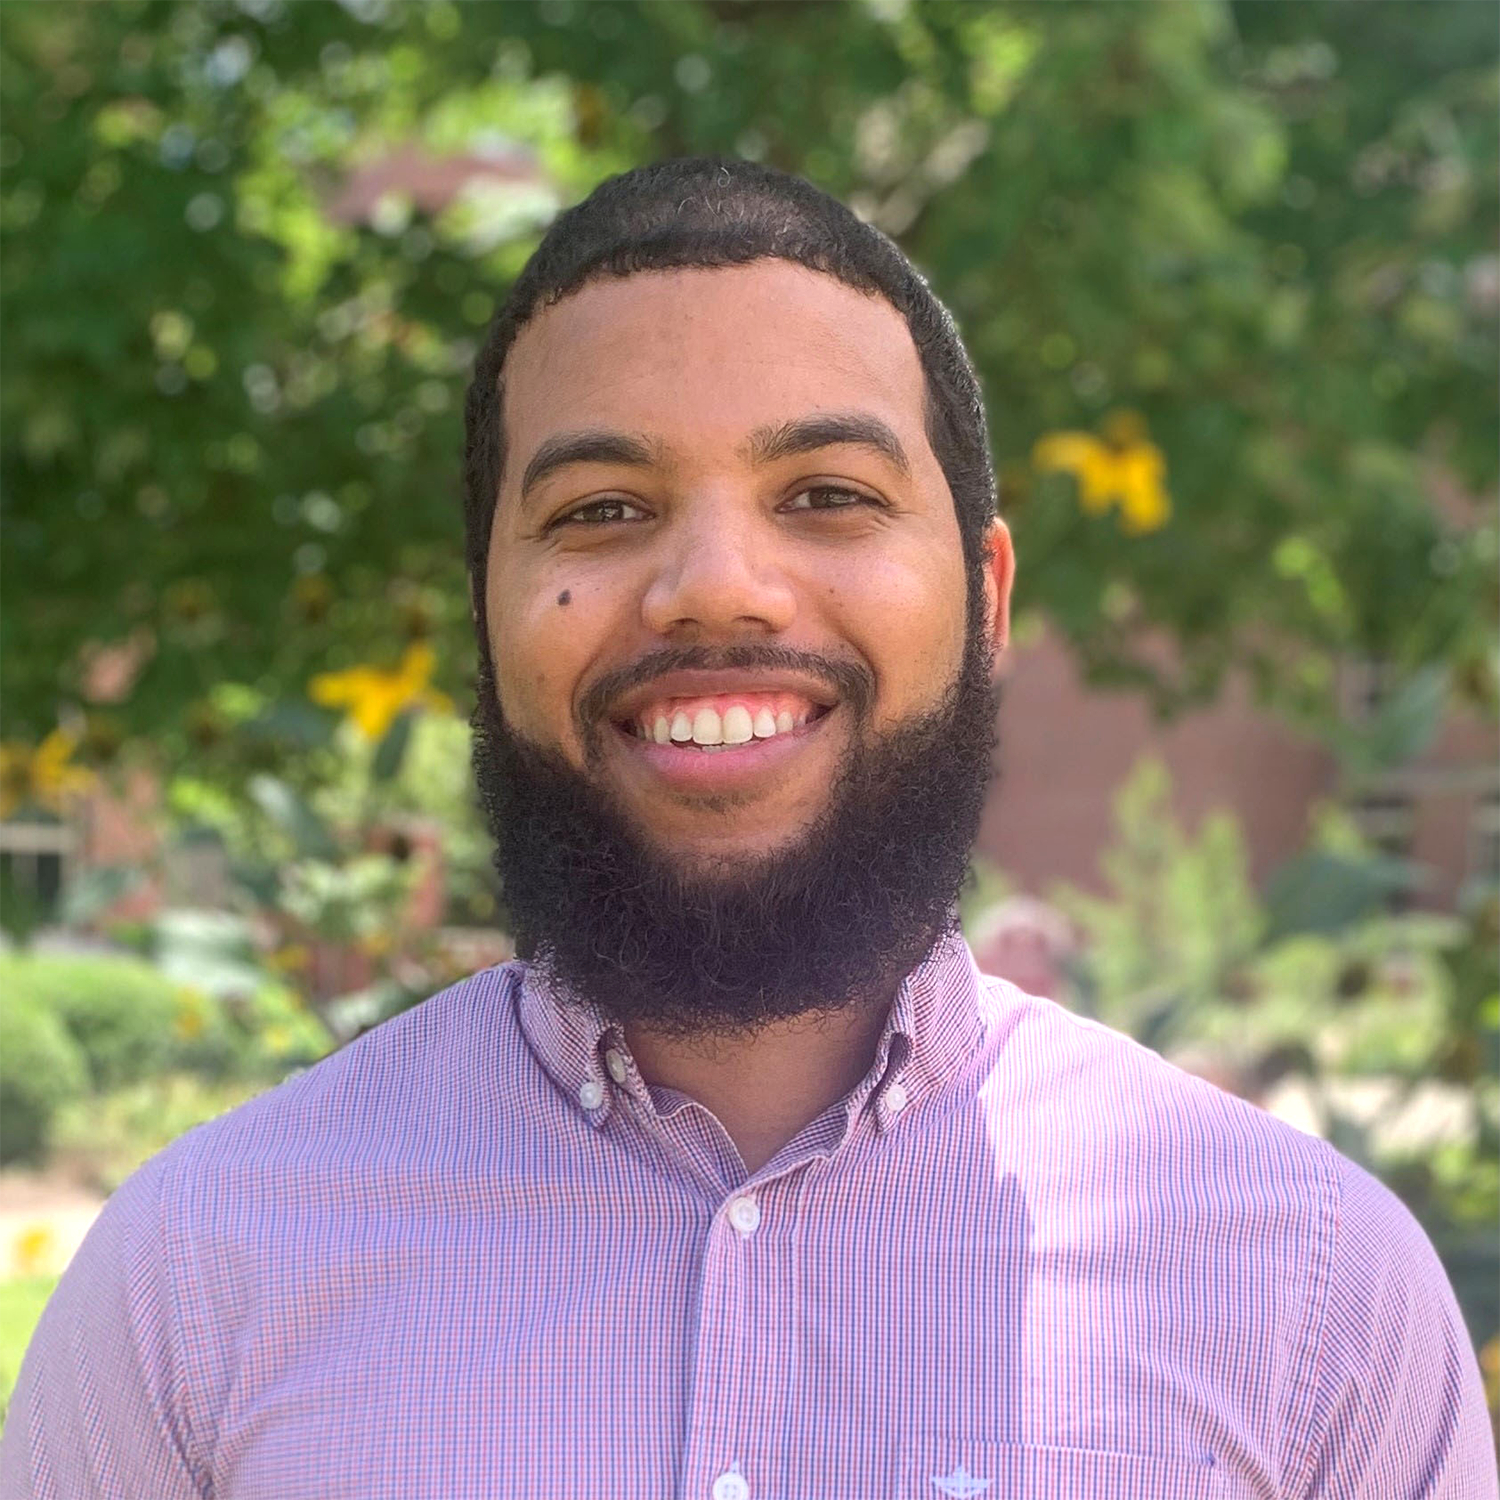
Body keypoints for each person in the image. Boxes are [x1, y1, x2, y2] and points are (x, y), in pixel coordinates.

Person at [2, 158, 1493, 1500]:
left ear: (986, 602)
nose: (716, 585)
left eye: (828, 493)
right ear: (484, 613)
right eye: (599, 510)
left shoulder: (1314, 1301)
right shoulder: (198, 1283)